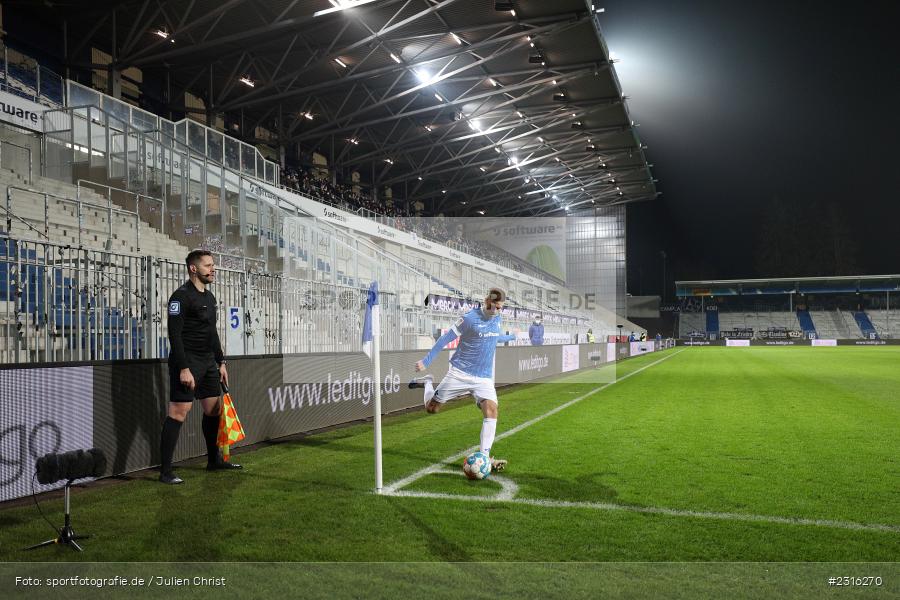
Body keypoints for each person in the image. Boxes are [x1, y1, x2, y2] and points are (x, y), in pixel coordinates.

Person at [409, 288, 515, 473]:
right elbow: (445, 339)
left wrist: (511, 336)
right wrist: (426, 361)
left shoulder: (497, 318)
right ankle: (427, 382)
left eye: (500, 308)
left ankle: (485, 457)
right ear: (486, 300)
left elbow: (494, 337)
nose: (497, 311)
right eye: (494, 306)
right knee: (431, 409)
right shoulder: (468, 319)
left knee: (491, 410)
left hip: (483, 378)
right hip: (460, 373)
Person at [159, 250, 242, 485]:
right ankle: (165, 472)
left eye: (212, 265)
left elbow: (212, 333)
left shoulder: (210, 298)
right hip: (187, 361)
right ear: (193, 269)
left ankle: (213, 460)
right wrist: (184, 368)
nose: (212, 269)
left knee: (214, 409)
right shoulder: (180, 297)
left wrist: (221, 362)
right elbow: (174, 335)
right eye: (207, 265)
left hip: (207, 361)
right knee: (178, 412)